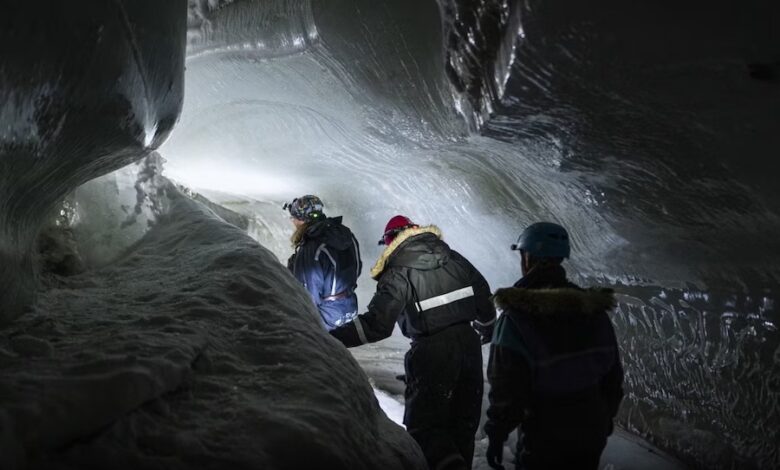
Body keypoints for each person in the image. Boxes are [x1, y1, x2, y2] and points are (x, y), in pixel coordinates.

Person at [330, 215, 496, 470]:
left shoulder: (398, 272)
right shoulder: (454, 258)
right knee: (462, 424)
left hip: (432, 351)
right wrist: (486, 327)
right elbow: (483, 294)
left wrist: (331, 338)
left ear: (390, 241)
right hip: (469, 346)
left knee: (425, 428)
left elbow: (377, 325)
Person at [484, 222, 624, 470]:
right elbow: (612, 375)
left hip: (545, 431)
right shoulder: (594, 311)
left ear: (527, 257)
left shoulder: (516, 318)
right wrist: (604, 418)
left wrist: (497, 433)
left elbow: (507, 385)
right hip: (591, 427)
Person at [284, 195, 362, 331]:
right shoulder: (346, 234)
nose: (293, 222)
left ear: (301, 221)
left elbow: (308, 293)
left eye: (294, 218)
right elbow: (357, 269)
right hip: (349, 308)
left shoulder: (311, 247)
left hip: (326, 317)